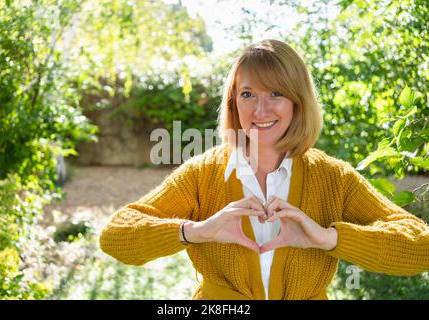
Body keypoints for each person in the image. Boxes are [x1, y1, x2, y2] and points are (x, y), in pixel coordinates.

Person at [99, 39, 429, 300]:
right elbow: (115, 236)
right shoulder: (202, 174)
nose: (260, 109)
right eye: (247, 94)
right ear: (233, 102)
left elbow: (421, 247)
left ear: (298, 102)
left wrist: (328, 239)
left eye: (276, 93)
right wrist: (197, 232)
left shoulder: (333, 178)